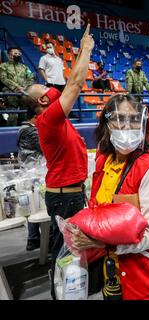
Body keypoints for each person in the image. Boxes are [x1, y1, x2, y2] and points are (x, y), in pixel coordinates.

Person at [70, 94, 149, 300]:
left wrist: (104, 244)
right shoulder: (104, 162)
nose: (126, 126)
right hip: (112, 273)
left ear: (143, 125)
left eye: (134, 119)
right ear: (107, 124)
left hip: (141, 276)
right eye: (119, 119)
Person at [22, 24, 94, 300]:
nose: (52, 88)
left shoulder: (55, 119)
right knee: (64, 251)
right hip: (65, 196)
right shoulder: (49, 119)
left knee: (69, 250)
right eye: (46, 87)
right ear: (42, 99)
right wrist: (85, 49)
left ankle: (68, 293)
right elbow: (75, 84)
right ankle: (61, 295)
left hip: (68, 192)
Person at [17, 107, 43, 251]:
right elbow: (44, 147)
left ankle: (34, 239)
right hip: (34, 172)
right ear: (34, 117)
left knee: (36, 205)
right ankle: (34, 239)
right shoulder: (30, 130)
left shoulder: (24, 129)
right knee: (37, 205)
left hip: (31, 171)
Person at [0, 47, 34, 125]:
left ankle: (24, 132)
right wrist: (17, 87)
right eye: (15, 53)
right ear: (9, 55)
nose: (18, 55)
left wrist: (25, 88)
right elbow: (3, 78)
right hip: (10, 92)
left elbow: (31, 77)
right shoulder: (3, 66)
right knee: (13, 115)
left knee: (25, 114)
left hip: (24, 92)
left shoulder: (24, 67)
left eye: (19, 53)